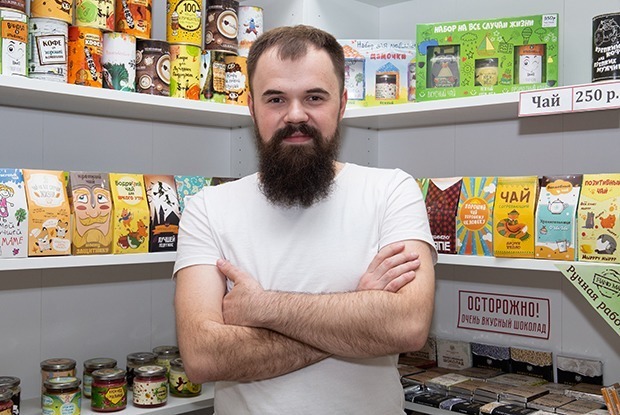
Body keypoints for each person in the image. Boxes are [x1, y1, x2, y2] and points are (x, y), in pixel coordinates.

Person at [173, 25, 437, 414]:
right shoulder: (207, 207)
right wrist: (359, 312)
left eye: (314, 97)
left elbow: (408, 327)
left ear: (341, 104)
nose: (295, 115)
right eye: (276, 99)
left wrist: (264, 308)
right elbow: (203, 357)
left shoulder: (392, 191)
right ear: (252, 107)